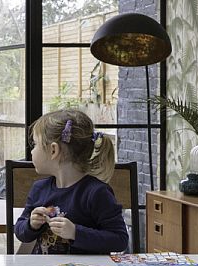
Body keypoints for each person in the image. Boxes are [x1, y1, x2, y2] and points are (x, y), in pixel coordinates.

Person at [13, 107, 130, 254]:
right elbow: (19, 231)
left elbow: (119, 240)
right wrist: (31, 224)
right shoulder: (39, 189)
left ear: (53, 150)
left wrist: (75, 232)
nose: (32, 151)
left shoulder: (96, 193)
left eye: (35, 144)